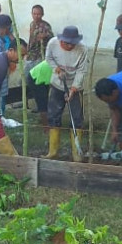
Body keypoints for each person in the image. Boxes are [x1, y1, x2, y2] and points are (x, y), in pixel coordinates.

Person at [44, 26, 89, 161]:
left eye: (72, 43)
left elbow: (81, 71)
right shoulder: (52, 43)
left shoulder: (82, 49)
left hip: (75, 87)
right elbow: (48, 59)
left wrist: (73, 89)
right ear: (61, 40)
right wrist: (57, 69)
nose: (69, 46)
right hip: (57, 85)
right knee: (53, 116)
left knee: (77, 119)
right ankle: (53, 152)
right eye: (66, 43)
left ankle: (76, 153)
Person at [25, 4, 54, 127]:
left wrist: (45, 36)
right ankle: (36, 103)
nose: (36, 16)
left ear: (42, 14)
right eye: (34, 13)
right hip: (31, 56)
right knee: (29, 80)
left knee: (40, 83)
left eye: (38, 14)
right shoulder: (32, 24)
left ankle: (42, 107)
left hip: (40, 58)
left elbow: (52, 38)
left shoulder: (45, 26)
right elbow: (31, 39)